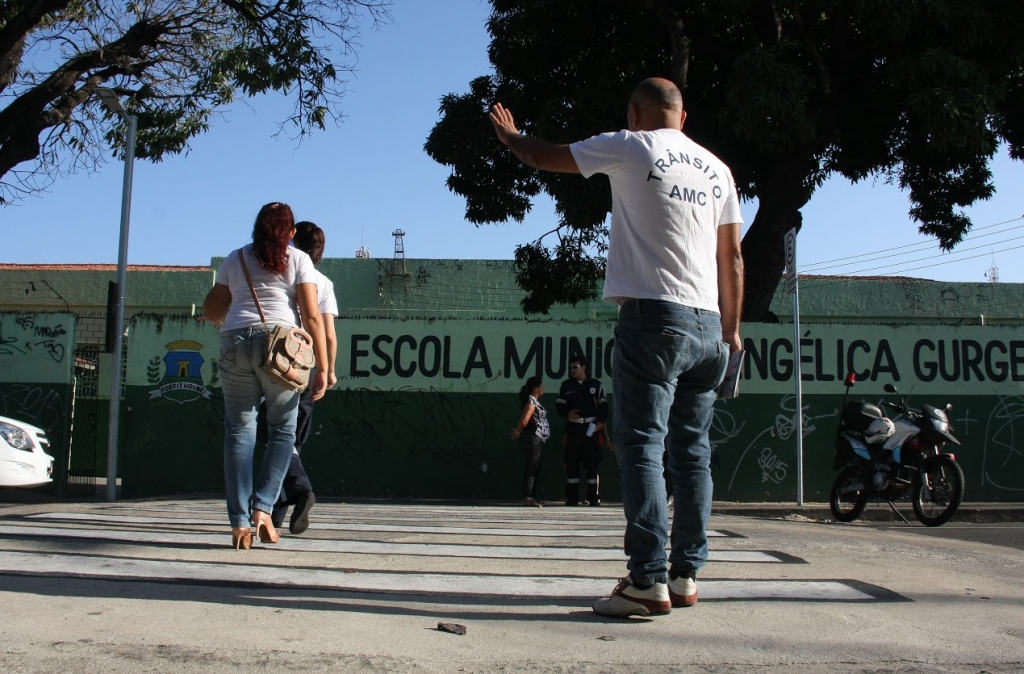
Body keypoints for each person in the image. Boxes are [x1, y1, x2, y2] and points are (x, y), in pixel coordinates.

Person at [489, 77, 744, 617]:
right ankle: (685, 576)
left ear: (635, 112)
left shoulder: (633, 146)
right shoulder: (718, 170)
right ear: (684, 113)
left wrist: (512, 139)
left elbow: (546, 155)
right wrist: (732, 333)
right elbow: (734, 260)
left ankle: (646, 580)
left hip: (655, 318)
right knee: (693, 453)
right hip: (710, 327)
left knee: (642, 447)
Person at [202, 203, 329, 550]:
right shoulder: (299, 260)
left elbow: (212, 309)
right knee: (283, 432)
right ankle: (263, 510)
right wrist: (325, 367)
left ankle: (239, 524)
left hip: (235, 342)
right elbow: (311, 316)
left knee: (239, 433)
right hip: (280, 349)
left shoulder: (236, 258)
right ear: (289, 233)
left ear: (257, 228)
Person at [257, 221, 339, 535]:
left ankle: (300, 488)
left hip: (278, 361)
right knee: (290, 438)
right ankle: (274, 513)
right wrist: (328, 370)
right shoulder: (325, 283)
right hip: (307, 365)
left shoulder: (281, 271)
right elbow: (329, 335)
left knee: (275, 435)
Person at [555, 356, 608, 506]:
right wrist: (567, 413)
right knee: (572, 462)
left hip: (591, 428)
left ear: (583, 368)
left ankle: (593, 497)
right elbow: (559, 406)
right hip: (574, 428)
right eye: (571, 368)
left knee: (592, 463)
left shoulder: (596, 385)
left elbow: (604, 407)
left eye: (575, 367)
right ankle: (572, 498)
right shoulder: (566, 386)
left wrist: (599, 423)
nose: (572, 370)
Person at [510, 376, 550, 506]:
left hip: (539, 439)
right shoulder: (531, 402)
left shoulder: (534, 401)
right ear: (536, 388)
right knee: (532, 467)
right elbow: (525, 419)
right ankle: (528, 497)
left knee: (536, 467)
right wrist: (519, 430)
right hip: (533, 437)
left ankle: (533, 496)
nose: (543, 388)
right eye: (541, 386)